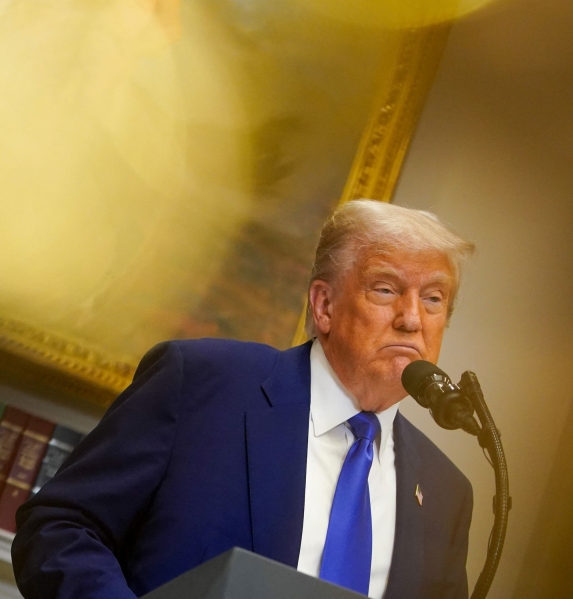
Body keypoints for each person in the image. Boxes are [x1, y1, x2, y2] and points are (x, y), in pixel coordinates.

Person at [11, 199, 477, 599]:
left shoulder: (445, 492)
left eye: (434, 299)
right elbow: (58, 527)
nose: (412, 319)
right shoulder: (200, 384)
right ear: (324, 306)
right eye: (386, 288)